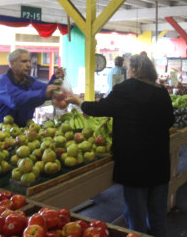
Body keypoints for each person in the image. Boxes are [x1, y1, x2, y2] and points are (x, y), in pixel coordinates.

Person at [67, 53, 174, 236]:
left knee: (136, 218)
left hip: (134, 164)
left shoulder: (125, 89)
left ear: (133, 69)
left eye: (127, 68)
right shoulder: (161, 92)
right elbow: (170, 121)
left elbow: (99, 109)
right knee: (158, 218)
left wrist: (78, 101)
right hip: (159, 162)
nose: (126, 71)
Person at [0, 48, 65, 127]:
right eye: (24, 61)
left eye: (29, 61)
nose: (28, 65)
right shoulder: (2, 83)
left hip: (21, 133)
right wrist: (43, 93)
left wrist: (55, 78)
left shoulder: (29, 81)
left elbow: (45, 89)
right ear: (12, 63)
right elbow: (16, 100)